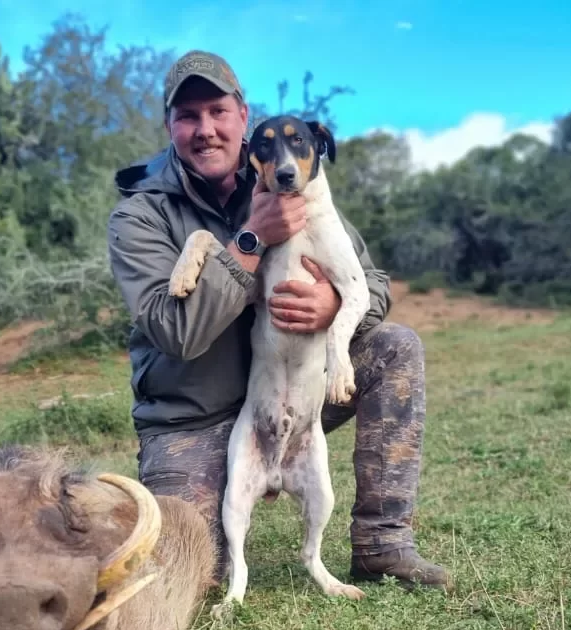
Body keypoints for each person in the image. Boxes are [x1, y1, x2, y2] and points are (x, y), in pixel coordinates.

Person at [106, 50, 448, 590]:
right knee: (183, 578)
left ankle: (382, 546)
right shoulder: (140, 214)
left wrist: (332, 306)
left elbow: (372, 283)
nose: (206, 130)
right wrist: (251, 239)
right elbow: (176, 335)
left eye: (218, 112)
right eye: (188, 116)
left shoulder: (288, 176)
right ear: (170, 125)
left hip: (296, 389)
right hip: (193, 420)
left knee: (395, 346)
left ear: (243, 117)